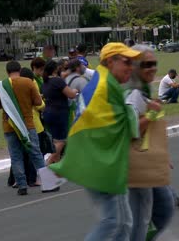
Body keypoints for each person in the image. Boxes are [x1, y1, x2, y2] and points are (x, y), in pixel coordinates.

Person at [50, 43, 141, 241]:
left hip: (105, 161)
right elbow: (89, 130)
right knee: (112, 221)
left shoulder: (106, 82)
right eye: (126, 61)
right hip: (100, 163)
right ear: (110, 61)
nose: (131, 67)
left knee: (124, 223)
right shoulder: (103, 89)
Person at [0, 61, 58, 196]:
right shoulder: (28, 82)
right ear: (20, 70)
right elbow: (38, 102)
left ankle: (22, 185)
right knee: (35, 153)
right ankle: (47, 183)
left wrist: (7, 105)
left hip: (9, 125)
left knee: (16, 156)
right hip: (27, 124)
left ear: (7, 71)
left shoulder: (1, 85)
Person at [125, 44, 170, 241]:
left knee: (164, 208)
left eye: (154, 63)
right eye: (146, 64)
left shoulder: (142, 88)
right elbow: (131, 130)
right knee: (142, 218)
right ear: (135, 67)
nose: (152, 68)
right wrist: (152, 113)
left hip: (146, 162)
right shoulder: (133, 93)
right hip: (136, 164)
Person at [6, 67, 47, 188]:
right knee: (35, 153)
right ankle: (37, 179)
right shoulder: (30, 84)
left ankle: (18, 182)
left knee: (17, 155)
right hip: (31, 124)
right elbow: (40, 104)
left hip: (12, 124)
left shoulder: (6, 86)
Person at [42, 60, 79, 164]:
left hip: (48, 113)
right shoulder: (58, 81)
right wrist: (75, 90)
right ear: (55, 69)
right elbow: (70, 94)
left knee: (55, 140)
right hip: (59, 113)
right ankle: (48, 163)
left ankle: (56, 168)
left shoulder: (45, 82)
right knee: (61, 141)